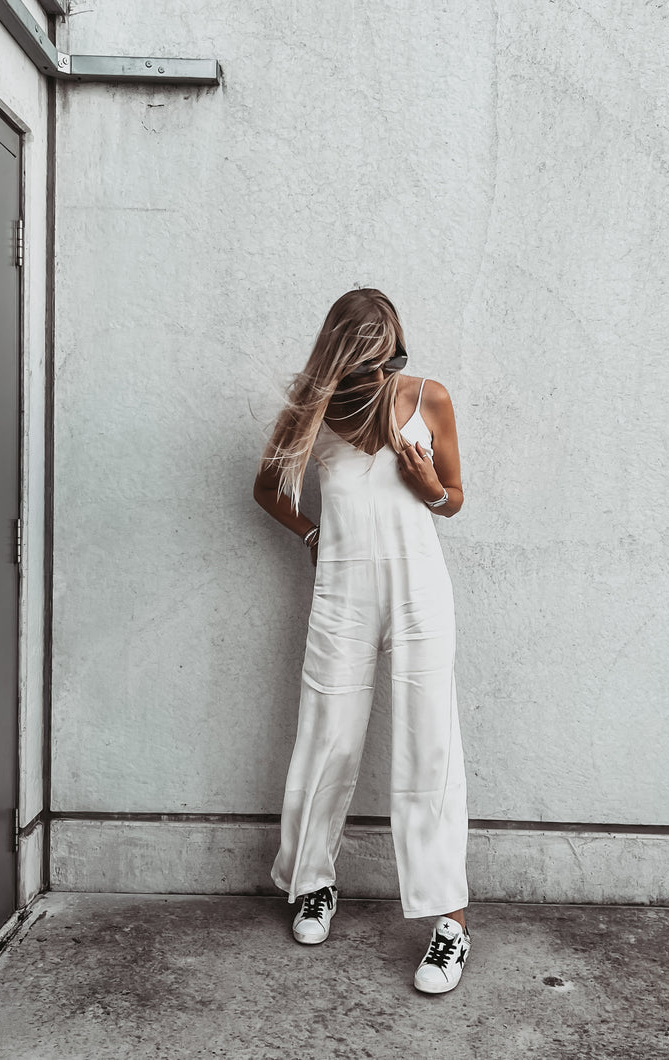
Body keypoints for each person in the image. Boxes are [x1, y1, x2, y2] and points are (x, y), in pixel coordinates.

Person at [253, 288, 471, 994]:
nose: (378, 372)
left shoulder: (427, 397)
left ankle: (449, 921)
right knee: (329, 737)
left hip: (419, 591)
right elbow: (267, 488)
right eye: (365, 359)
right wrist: (311, 535)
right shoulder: (313, 410)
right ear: (340, 354)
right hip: (343, 590)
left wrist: (427, 482)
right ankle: (312, 883)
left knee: (429, 745)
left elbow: (454, 500)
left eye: (387, 356)